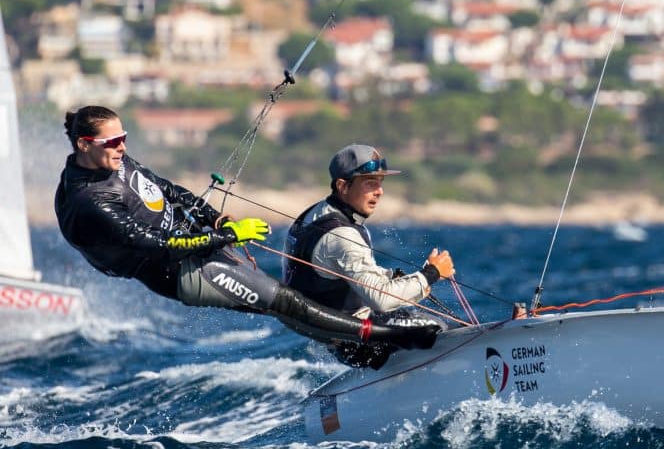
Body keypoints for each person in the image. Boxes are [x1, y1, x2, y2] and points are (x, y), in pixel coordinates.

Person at [54, 105, 439, 353]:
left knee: (281, 300)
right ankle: (391, 338)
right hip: (179, 272)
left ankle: (354, 344)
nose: (122, 146)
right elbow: (160, 246)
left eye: (124, 138)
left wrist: (215, 219)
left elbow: (168, 190)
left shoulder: (112, 160)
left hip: (200, 245)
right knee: (282, 301)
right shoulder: (91, 202)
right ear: (85, 144)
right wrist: (228, 237)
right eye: (113, 141)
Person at [284, 144, 455, 368]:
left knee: (418, 316)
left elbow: (338, 275)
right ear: (342, 186)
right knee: (437, 327)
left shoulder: (315, 213)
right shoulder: (342, 235)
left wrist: (395, 277)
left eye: (381, 183)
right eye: (370, 183)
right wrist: (430, 274)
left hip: (341, 336)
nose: (379, 191)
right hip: (359, 343)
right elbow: (381, 300)